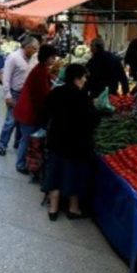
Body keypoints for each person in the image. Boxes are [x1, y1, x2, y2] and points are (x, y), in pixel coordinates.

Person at [41, 63, 98, 221]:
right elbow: (93, 120)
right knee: (74, 175)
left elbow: (45, 111)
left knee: (55, 173)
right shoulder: (83, 97)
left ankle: (53, 209)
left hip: (56, 140)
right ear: (77, 78)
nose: (85, 80)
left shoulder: (57, 92)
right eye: (84, 77)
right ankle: (73, 209)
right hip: (76, 145)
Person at [13, 44, 57, 174]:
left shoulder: (42, 69)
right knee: (26, 139)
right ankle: (20, 164)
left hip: (27, 110)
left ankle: (24, 162)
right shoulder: (40, 71)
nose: (54, 60)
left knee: (25, 139)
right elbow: (42, 95)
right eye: (52, 57)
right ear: (47, 58)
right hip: (28, 111)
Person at [0, 37, 39, 156]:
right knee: (11, 121)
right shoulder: (13, 57)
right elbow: (6, 77)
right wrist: (7, 95)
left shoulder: (34, 58)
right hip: (15, 93)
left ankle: (17, 143)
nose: (36, 51)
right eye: (34, 48)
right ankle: (2, 145)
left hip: (27, 95)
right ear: (27, 47)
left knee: (23, 121)